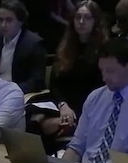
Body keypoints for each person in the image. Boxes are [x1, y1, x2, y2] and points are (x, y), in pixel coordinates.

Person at [64, 38, 128, 163]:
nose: (104, 77)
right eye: (102, 70)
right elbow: (76, 147)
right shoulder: (95, 97)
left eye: (110, 71)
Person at [35, 0, 106, 138]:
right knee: (33, 117)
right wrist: (63, 105)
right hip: (62, 105)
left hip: (88, 109)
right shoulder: (65, 47)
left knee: (52, 125)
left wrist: (70, 111)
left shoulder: (103, 51)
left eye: (87, 17)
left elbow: (99, 90)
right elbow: (55, 84)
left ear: (95, 21)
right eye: (78, 17)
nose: (81, 21)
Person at [0, 0, 47, 93]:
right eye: (0, 20)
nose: (3, 25)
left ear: (20, 21)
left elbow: (37, 80)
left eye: (9, 20)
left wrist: (10, 91)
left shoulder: (34, 43)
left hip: (19, 93)